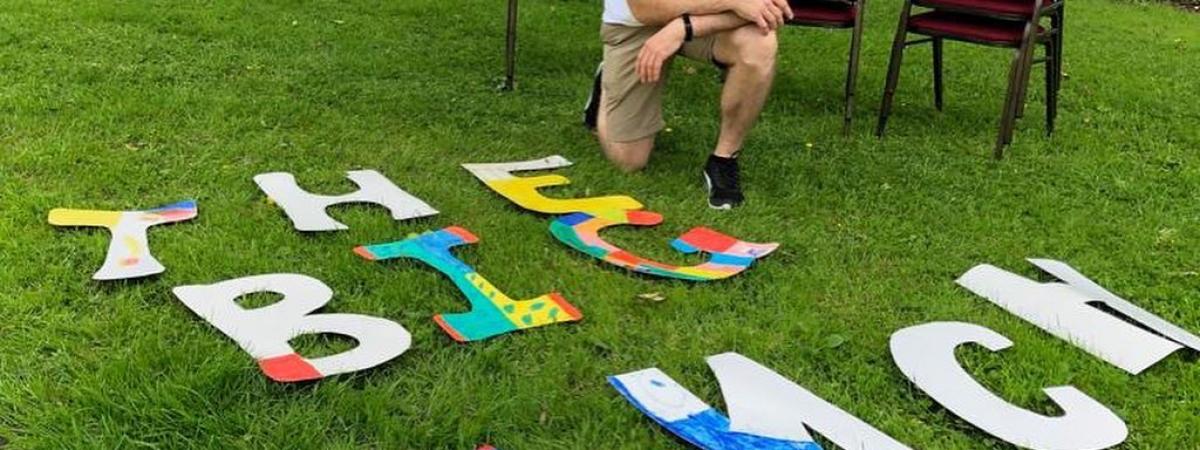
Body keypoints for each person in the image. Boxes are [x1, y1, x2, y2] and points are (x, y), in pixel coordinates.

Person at [583, 0, 792, 209]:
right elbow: (643, 8)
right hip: (637, 23)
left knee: (759, 43)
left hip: (706, 20)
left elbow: (769, 8)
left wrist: (684, 28)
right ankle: (606, 84)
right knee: (628, 160)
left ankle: (725, 158)